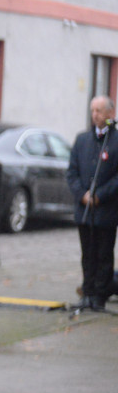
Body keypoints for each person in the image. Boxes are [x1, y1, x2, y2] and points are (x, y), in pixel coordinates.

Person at [66, 95, 118, 311]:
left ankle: (100, 295)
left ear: (110, 114)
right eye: (92, 110)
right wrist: (82, 195)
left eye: (99, 111)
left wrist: (100, 195)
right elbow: (72, 173)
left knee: (103, 254)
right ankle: (87, 293)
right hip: (85, 209)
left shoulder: (115, 140)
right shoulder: (82, 140)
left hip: (106, 210)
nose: (95, 115)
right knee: (87, 254)